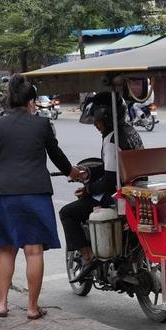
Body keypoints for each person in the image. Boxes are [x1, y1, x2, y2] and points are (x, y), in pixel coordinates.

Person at [0, 74, 83, 319]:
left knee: (6, 250)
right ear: (31, 102)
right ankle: (31, 308)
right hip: (35, 194)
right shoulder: (41, 124)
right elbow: (56, 155)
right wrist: (73, 172)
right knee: (33, 251)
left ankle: (2, 304)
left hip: (3, 194)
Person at [59, 90, 144, 283]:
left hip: (118, 195)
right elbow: (111, 167)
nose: (96, 125)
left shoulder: (112, 140)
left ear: (107, 118)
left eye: (98, 121)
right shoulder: (129, 131)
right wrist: (89, 173)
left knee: (67, 213)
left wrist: (87, 189)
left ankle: (88, 256)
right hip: (136, 188)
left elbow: (109, 180)